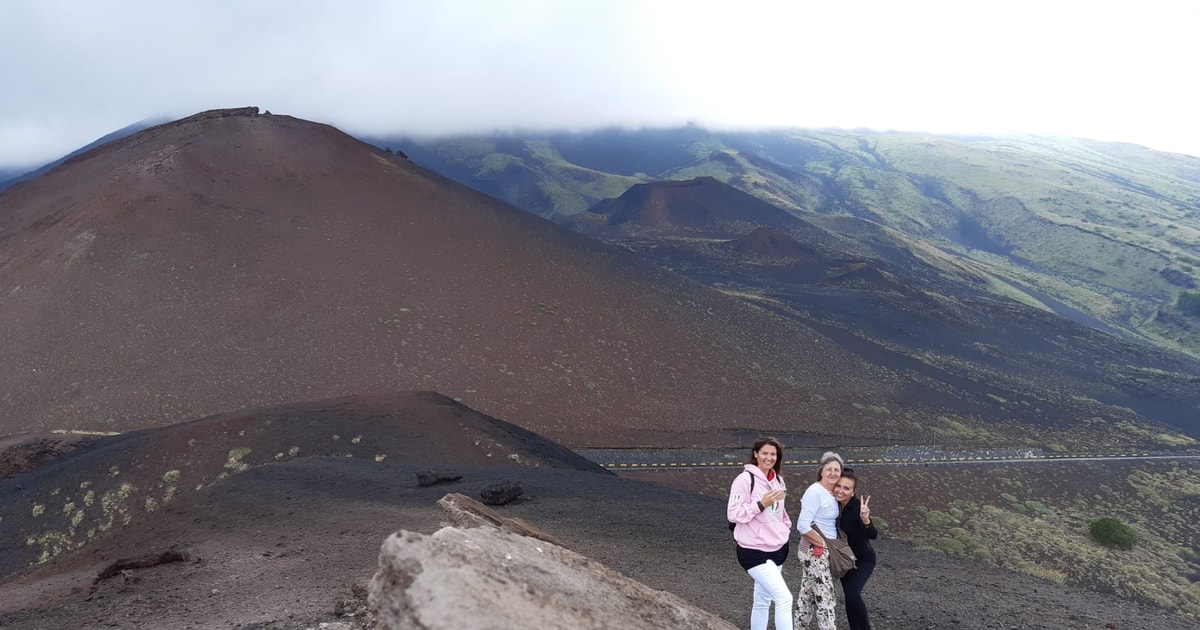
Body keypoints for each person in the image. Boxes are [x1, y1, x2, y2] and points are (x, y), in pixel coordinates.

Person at [728, 437, 793, 630]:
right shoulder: (744, 480)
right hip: (753, 550)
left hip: (778, 548)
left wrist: (785, 527)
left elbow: (780, 512)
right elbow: (733, 514)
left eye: (773, 454)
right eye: (765, 453)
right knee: (784, 597)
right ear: (755, 454)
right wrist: (759, 504)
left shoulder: (778, 480)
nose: (769, 457)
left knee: (762, 600)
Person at [793, 451, 842, 630]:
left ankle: (800, 626)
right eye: (829, 469)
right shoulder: (815, 491)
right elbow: (802, 525)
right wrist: (823, 544)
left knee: (808, 593)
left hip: (819, 551)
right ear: (821, 471)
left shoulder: (831, 493)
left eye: (837, 469)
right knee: (825, 596)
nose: (833, 473)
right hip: (815, 552)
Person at [833, 468, 877, 630]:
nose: (841, 491)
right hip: (844, 561)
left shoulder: (858, 508)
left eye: (846, 488)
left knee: (852, 593)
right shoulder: (832, 505)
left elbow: (873, 534)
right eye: (838, 486)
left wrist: (866, 520)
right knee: (849, 597)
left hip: (863, 560)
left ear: (853, 492)